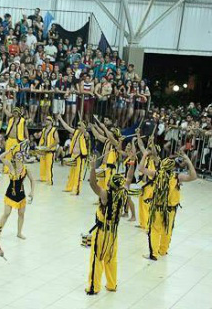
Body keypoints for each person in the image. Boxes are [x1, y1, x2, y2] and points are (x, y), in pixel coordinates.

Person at [85, 156, 133, 295]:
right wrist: (131, 164)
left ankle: (94, 287)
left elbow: (93, 184)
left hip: (102, 233)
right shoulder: (123, 193)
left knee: (97, 258)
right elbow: (129, 179)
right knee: (111, 259)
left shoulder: (106, 195)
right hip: (113, 234)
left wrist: (93, 167)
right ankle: (111, 285)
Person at [140, 149, 197, 261]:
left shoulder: (156, 174)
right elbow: (194, 176)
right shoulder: (177, 177)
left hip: (157, 208)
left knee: (155, 230)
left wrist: (145, 155)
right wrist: (188, 161)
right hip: (171, 210)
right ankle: (163, 250)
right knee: (167, 229)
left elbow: (141, 169)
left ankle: (154, 254)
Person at [0, 145, 35, 239]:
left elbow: (32, 180)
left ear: (22, 158)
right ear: (14, 158)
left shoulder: (26, 169)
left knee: (21, 214)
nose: (19, 157)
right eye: (17, 155)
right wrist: (9, 150)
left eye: (20, 156)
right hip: (10, 193)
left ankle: (19, 233)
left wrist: (32, 192)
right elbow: (1, 157)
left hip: (21, 195)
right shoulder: (10, 166)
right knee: (6, 213)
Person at [57, 115, 89, 195]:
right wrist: (61, 119)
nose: (78, 127)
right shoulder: (76, 132)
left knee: (78, 174)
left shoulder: (86, 134)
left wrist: (83, 126)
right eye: (78, 125)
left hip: (80, 157)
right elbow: (67, 127)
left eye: (80, 125)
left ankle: (76, 190)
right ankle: (69, 187)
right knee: (71, 173)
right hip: (74, 156)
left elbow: (85, 133)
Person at [2, 105, 28, 173]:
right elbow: (5, 111)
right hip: (9, 139)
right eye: (14, 111)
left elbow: (25, 130)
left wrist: (27, 138)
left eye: (16, 111)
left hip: (17, 140)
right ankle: (7, 170)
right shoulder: (11, 119)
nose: (15, 113)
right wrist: (5, 103)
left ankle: (18, 170)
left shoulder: (22, 120)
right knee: (7, 155)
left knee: (17, 156)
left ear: (19, 112)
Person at [37, 116, 59, 185]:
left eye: (48, 120)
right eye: (46, 119)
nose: (46, 121)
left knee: (49, 166)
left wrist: (49, 147)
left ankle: (49, 180)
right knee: (42, 165)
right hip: (44, 150)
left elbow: (57, 140)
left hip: (50, 150)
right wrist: (40, 148)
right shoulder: (44, 130)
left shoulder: (54, 130)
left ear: (51, 122)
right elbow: (42, 140)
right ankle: (43, 178)